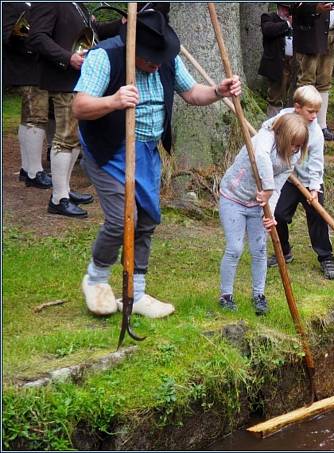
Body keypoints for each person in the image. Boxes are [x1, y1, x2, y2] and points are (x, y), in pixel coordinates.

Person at [72, 10, 242, 318]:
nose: (155, 64)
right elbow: (80, 106)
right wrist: (113, 101)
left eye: (158, 58)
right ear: (134, 47)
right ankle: (95, 280)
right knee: (122, 218)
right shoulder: (105, 57)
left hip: (147, 150)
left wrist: (219, 91)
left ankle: (134, 294)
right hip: (109, 149)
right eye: (149, 59)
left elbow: (192, 93)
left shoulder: (166, 60)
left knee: (148, 217)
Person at [218, 113, 309, 314]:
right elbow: (261, 157)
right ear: (283, 137)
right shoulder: (265, 138)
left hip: (257, 205)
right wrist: (266, 187)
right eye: (293, 144)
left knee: (259, 250)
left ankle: (259, 294)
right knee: (234, 248)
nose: (295, 149)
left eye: (299, 146)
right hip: (233, 197)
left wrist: (270, 214)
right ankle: (225, 296)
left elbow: (276, 188)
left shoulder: (291, 158)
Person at [26, 1, 96, 217]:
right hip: (62, 79)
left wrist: (123, 22)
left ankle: (64, 190)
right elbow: (37, 37)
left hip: (76, 81)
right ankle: (58, 199)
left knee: (72, 138)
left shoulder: (76, 4)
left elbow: (93, 32)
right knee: (65, 138)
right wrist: (68, 58)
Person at [264, 86, 334, 280]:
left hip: (309, 181)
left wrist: (314, 188)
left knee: (318, 218)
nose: (314, 116)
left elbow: (316, 164)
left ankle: (326, 257)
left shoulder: (316, 134)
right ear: (297, 107)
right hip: (288, 178)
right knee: (278, 213)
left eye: (317, 112)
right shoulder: (284, 117)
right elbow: (266, 129)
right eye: (310, 111)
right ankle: (285, 251)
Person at [3, 2, 52, 189]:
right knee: (36, 118)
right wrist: (39, 43)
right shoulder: (11, 4)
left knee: (29, 118)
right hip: (26, 68)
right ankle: (34, 172)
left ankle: (28, 168)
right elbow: (7, 35)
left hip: (36, 68)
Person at [293, 2, 334, 141]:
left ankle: (321, 126)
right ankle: (301, 128)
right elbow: (295, 7)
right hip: (309, 35)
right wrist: (315, 7)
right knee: (306, 82)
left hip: (331, 34)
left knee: (325, 81)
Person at [259, 3, 297, 118]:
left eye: (289, 9)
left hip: (294, 62)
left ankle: (289, 123)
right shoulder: (268, 17)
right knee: (275, 97)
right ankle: (272, 124)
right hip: (277, 63)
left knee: (294, 95)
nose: (287, 12)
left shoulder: (297, 19)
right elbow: (268, 30)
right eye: (285, 8)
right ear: (278, 7)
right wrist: (287, 24)